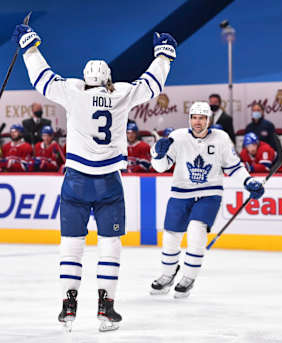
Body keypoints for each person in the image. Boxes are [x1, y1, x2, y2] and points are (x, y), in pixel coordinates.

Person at [14, 23, 175, 331]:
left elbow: (41, 77)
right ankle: (106, 308)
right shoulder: (122, 94)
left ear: (86, 79)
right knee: (110, 244)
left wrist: (29, 46)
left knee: (71, 245)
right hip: (109, 183)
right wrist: (164, 55)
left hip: (75, 181)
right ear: (108, 79)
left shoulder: (73, 92)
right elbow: (151, 84)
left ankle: (68, 306)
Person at [149, 101, 264, 298]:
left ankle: (188, 277)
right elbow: (160, 167)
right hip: (180, 193)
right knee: (170, 237)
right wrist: (158, 154)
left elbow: (233, 167)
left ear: (209, 120)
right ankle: (168, 274)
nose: (197, 122)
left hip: (209, 193)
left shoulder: (221, 138)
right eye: (194, 117)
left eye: (202, 118)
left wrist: (248, 181)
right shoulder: (177, 137)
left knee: (196, 230)